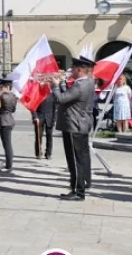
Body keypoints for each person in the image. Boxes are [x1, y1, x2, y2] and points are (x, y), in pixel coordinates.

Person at [52, 56, 96, 201]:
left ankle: (78, 191)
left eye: (72, 69)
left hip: (74, 125)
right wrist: (62, 83)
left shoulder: (80, 85)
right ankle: (79, 187)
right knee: (81, 158)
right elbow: (70, 97)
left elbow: (61, 99)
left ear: (79, 70)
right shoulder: (88, 82)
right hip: (81, 124)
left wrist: (55, 85)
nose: (70, 71)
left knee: (75, 160)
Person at [0, 78, 17, 173]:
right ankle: (8, 164)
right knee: (7, 144)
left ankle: (8, 165)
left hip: (3, 120)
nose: (0, 88)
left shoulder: (2, 96)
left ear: (6, 87)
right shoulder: (13, 96)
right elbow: (13, 109)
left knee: (7, 144)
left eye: (2, 87)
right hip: (10, 119)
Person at [35, 80, 57, 159]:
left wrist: (54, 119)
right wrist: (35, 116)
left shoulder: (53, 95)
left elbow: (55, 108)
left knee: (49, 136)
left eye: (48, 84)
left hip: (49, 118)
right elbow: (33, 107)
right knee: (38, 136)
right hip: (39, 117)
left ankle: (48, 153)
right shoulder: (38, 94)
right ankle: (38, 153)